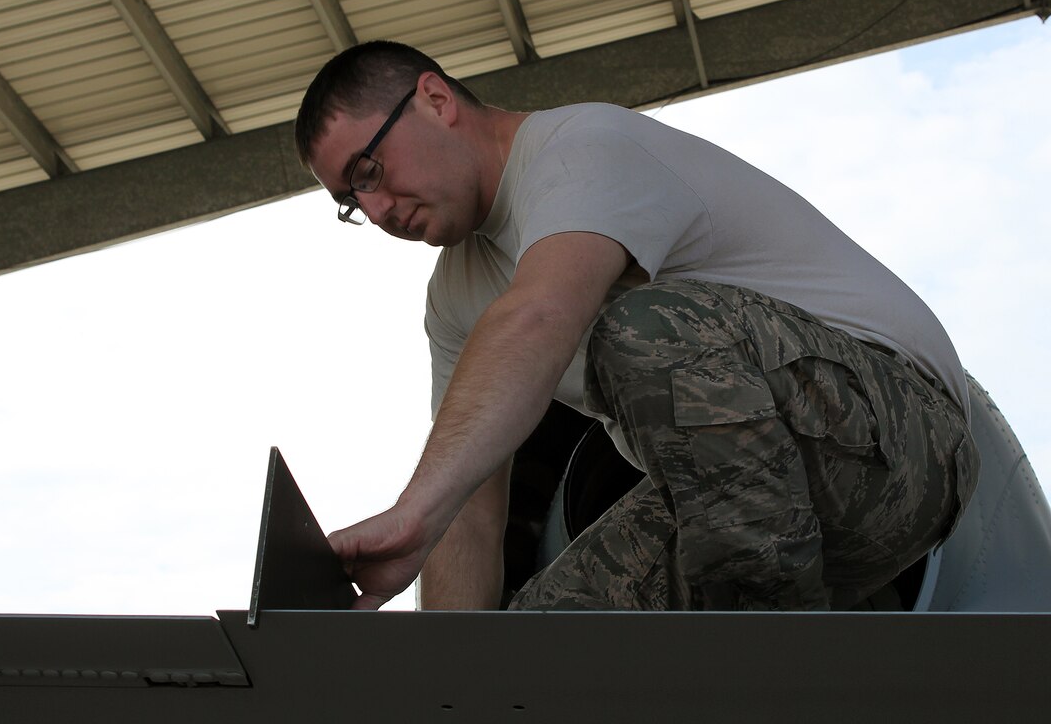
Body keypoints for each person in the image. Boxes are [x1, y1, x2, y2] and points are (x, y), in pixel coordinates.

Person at [294, 40, 978, 612]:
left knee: (643, 329)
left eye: (371, 169)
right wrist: (443, 690)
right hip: (730, 503)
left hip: (899, 438)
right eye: (351, 200)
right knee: (529, 660)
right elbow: (466, 510)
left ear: (436, 101)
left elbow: (540, 316)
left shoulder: (583, 146)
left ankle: (769, 660)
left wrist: (412, 512)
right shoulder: (454, 300)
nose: (376, 208)